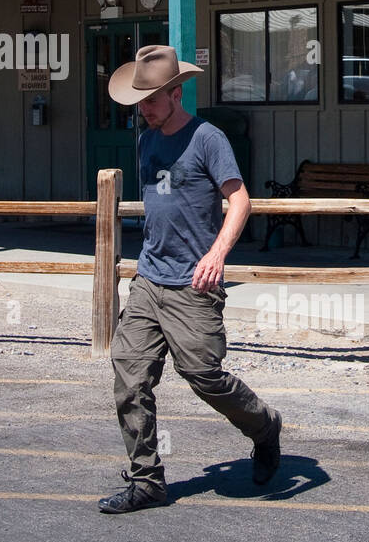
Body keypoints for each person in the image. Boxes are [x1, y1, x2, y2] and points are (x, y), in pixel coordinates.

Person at [99, 44, 282, 513]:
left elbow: (239, 200)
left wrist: (217, 254)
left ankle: (264, 428)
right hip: (150, 278)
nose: (144, 109)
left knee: (204, 375)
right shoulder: (145, 139)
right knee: (129, 377)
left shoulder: (208, 138)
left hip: (193, 284)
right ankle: (147, 481)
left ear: (176, 94)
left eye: (152, 101)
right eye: (140, 101)